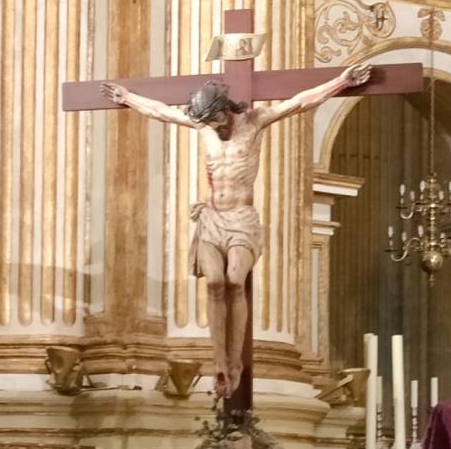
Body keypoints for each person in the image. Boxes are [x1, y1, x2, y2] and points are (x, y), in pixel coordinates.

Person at [102, 64, 372, 399]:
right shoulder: (202, 127)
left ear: (226, 110)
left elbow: (300, 102)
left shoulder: (254, 122)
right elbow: (161, 113)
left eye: (215, 120)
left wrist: (342, 82)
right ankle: (219, 363)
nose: (213, 127)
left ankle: (236, 364)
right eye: (207, 122)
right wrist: (128, 98)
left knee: (234, 281)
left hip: (242, 218)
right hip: (212, 218)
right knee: (215, 284)